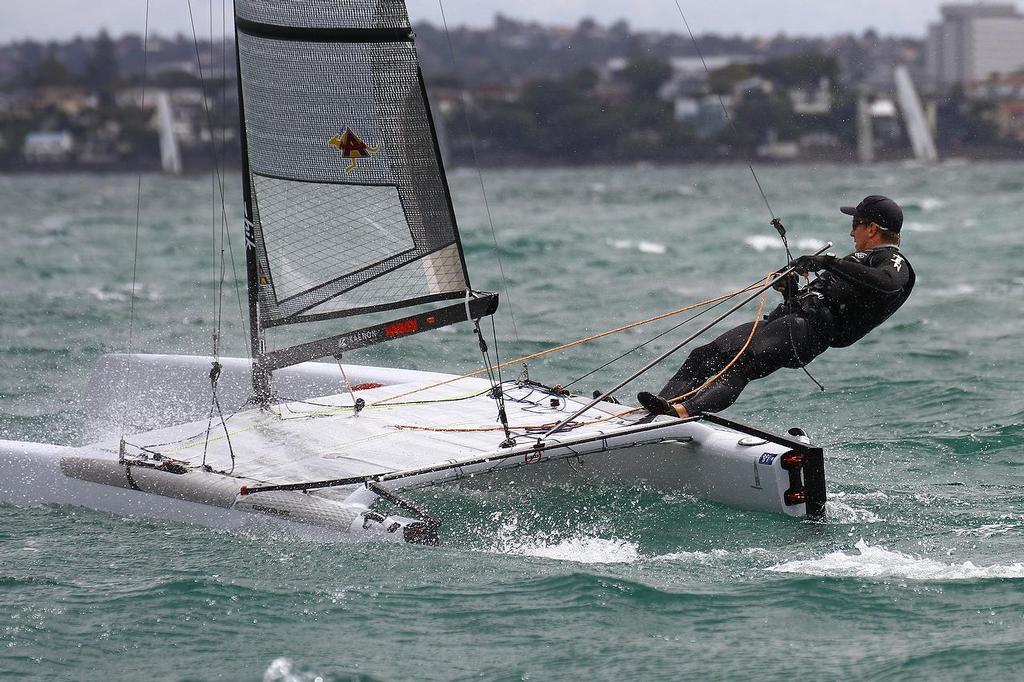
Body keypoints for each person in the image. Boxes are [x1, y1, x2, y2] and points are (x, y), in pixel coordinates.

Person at [638, 195, 916, 418]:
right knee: (705, 355)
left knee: (740, 364)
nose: (851, 231)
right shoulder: (859, 259)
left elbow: (888, 283)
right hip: (790, 320)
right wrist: (790, 290)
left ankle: (682, 413)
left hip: (809, 332)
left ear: (871, 228)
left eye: (856, 223)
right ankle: (659, 408)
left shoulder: (893, 261)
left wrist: (827, 262)